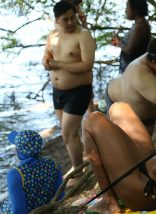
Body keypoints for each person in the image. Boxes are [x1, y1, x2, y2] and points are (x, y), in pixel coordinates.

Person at [42, 1, 96, 180]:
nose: (71, 22)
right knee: (69, 135)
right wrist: (46, 62)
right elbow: (47, 54)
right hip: (58, 92)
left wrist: (58, 64)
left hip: (79, 91)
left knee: (67, 133)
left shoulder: (83, 35)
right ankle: (80, 165)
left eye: (73, 18)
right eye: (66, 19)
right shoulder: (53, 35)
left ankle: (77, 171)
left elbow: (87, 65)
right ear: (57, 20)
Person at [105, 37, 156, 134]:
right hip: (116, 101)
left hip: (147, 113)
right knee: (120, 142)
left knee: (147, 146)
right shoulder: (139, 72)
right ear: (154, 62)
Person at [0, 130, 64, 214]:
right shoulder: (53, 164)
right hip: (46, 208)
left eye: (16, 147)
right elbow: (60, 196)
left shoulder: (15, 174)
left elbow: (18, 211)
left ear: (19, 151)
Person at [111, 0, 151, 74]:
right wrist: (117, 40)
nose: (125, 11)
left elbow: (129, 50)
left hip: (134, 71)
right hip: (131, 69)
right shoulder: (138, 24)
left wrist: (118, 42)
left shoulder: (140, 25)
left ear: (135, 10)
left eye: (127, 8)